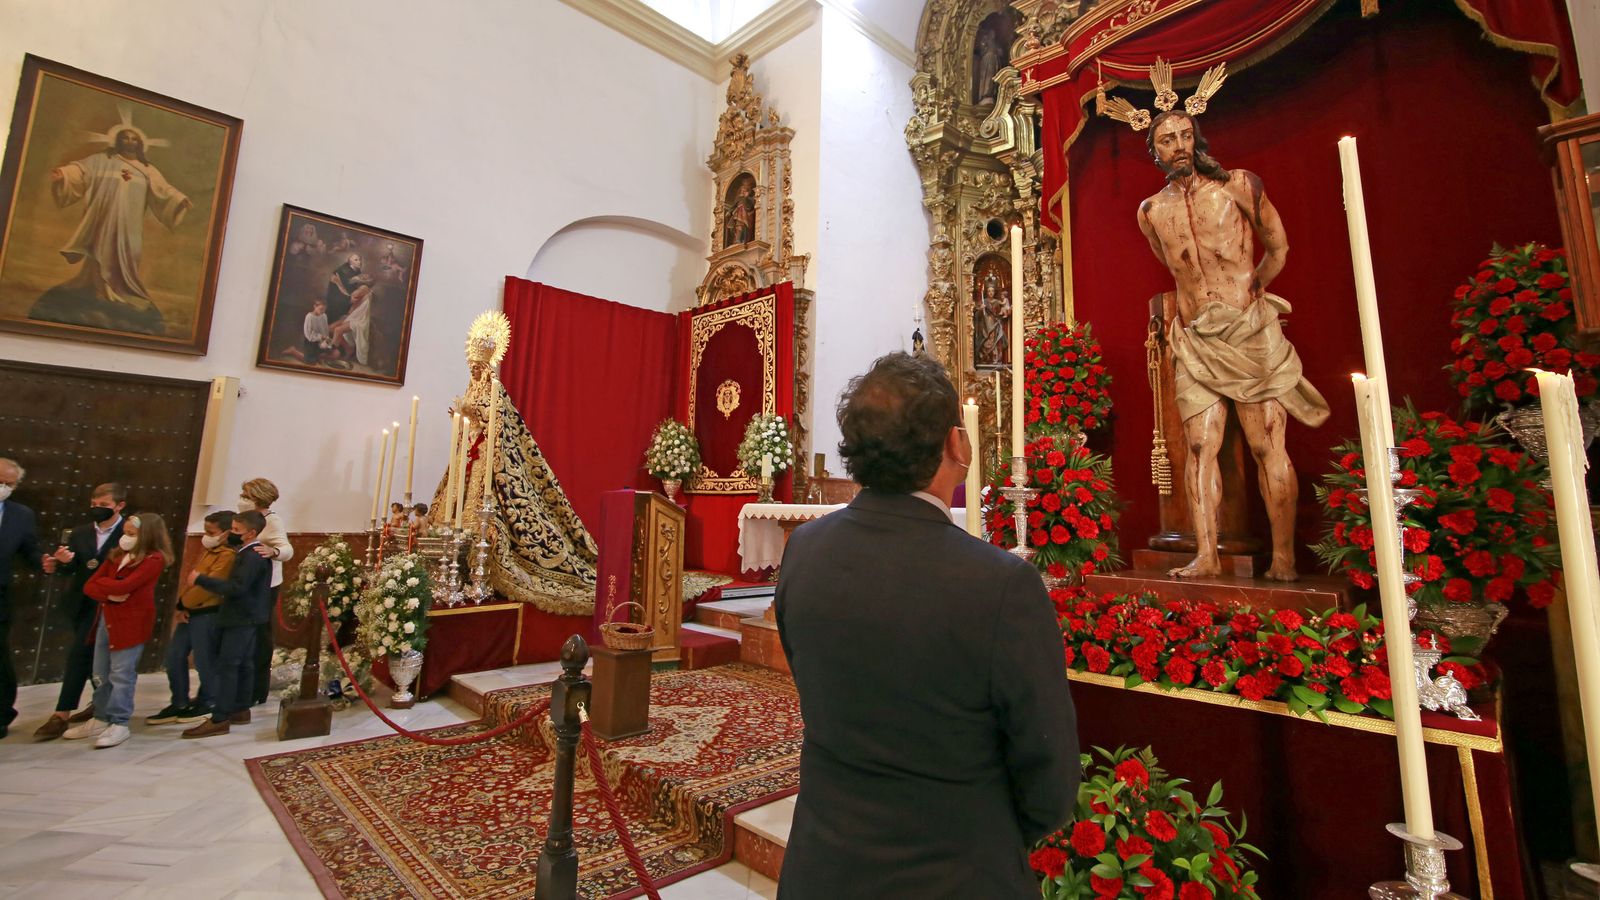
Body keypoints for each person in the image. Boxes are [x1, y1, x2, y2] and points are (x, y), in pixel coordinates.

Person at [774, 353, 1079, 898]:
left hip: (824, 865)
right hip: (956, 872)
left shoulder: (804, 551)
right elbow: (1050, 780)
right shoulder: (1000, 584)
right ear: (955, 445)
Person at [1135, 107, 1328, 581]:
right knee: (1199, 447)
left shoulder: (1238, 186)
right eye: (1166, 140)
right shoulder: (1151, 211)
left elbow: (1277, 247)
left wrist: (1252, 294)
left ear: (1197, 139)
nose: (1178, 145)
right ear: (1155, 152)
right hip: (1195, 339)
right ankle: (1206, 554)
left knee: (1267, 447)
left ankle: (1283, 558)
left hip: (1250, 330)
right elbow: (1175, 270)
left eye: (1184, 135)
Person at [430, 311, 597, 616]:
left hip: (487, 459)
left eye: (480, 365)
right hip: (469, 454)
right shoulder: (472, 388)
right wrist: (460, 417)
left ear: (488, 363)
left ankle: (484, 566)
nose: (476, 370)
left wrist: (474, 414)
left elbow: (502, 421)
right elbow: (471, 418)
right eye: (473, 365)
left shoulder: (495, 389)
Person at [32, 125, 192, 335]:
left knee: (128, 253)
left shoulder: (147, 169)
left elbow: (164, 190)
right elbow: (80, 169)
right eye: (125, 138)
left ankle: (122, 289)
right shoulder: (102, 160)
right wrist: (64, 173)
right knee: (100, 248)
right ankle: (99, 289)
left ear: (140, 144)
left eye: (134, 139)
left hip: (129, 224)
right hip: (104, 219)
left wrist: (179, 200)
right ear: (117, 141)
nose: (129, 142)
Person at [64, 512, 173, 748]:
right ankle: (100, 716)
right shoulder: (116, 555)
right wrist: (111, 592)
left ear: (145, 536)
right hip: (106, 617)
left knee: (122, 673)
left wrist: (109, 588)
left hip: (131, 620)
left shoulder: (154, 559)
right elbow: (90, 585)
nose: (125, 537)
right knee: (100, 671)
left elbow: (128, 586)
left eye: (132, 534)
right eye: (125, 532)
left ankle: (120, 722)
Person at [35, 482, 127, 739]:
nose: (97, 509)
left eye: (104, 506)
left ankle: (61, 713)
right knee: (88, 655)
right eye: (94, 505)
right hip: (82, 602)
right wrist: (61, 563)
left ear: (119, 506)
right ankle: (99, 703)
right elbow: (72, 568)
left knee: (80, 654)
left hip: (110, 603)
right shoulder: (80, 532)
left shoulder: (129, 532)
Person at [183, 510, 271, 738]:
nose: (231, 534)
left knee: (228, 665)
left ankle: (220, 717)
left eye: (236, 530)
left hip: (240, 616)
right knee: (243, 663)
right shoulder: (253, 553)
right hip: (248, 616)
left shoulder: (251, 556)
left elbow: (238, 588)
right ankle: (240, 708)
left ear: (251, 533)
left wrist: (200, 579)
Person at [147, 510, 235, 726]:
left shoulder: (227, 555)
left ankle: (209, 701)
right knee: (175, 656)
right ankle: (179, 701)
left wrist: (185, 603)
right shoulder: (209, 551)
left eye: (211, 532)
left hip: (207, 612)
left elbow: (206, 586)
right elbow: (191, 581)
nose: (206, 536)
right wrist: (182, 605)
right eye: (204, 531)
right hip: (190, 611)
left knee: (205, 661)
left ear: (225, 533)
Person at [238, 479, 292, 706]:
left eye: (246, 495)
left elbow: (287, 549)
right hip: (246, 583)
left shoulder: (272, 521)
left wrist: (274, 551)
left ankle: (257, 689)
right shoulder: (247, 520)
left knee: (260, 637)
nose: (241, 499)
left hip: (264, 586)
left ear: (258, 498)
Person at [0, 458, 41, 738]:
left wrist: (48, 563)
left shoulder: (21, 515)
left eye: (8, 484)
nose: (3, 488)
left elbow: (31, 552)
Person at [328, 284, 375, 366]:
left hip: (360, 320)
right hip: (352, 317)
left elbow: (356, 297)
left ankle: (332, 353)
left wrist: (354, 297)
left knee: (337, 330)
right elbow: (351, 310)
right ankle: (348, 348)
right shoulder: (359, 294)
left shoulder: (366, 292)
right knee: (331, 328)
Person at [324, 252, 371, 323]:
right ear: (350, 262)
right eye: (356, 260)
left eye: (360, 260)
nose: (360, 262)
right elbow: (343, 287)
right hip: (338, 298)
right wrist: (349, 298)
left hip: (346, 296)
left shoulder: (356, 270)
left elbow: (354, 285)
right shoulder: (343, 271)